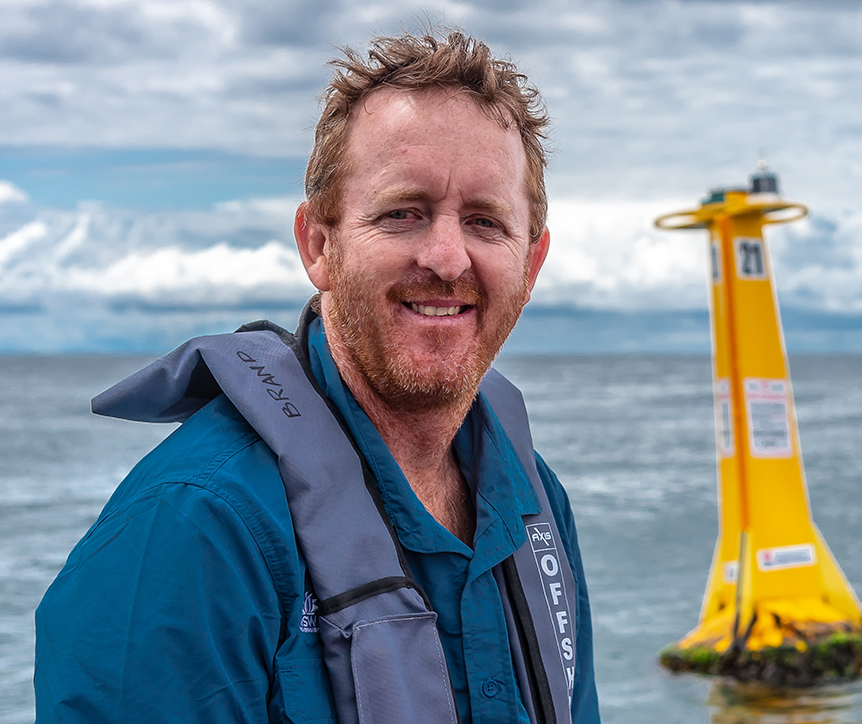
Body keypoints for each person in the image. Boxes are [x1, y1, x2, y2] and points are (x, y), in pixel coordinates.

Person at [35, 29, 600, 724]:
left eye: (486, 222)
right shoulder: (194, 527)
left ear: (532, 264)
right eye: (403, 213)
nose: (449, 258)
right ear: (319, 245)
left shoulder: (535, 505)